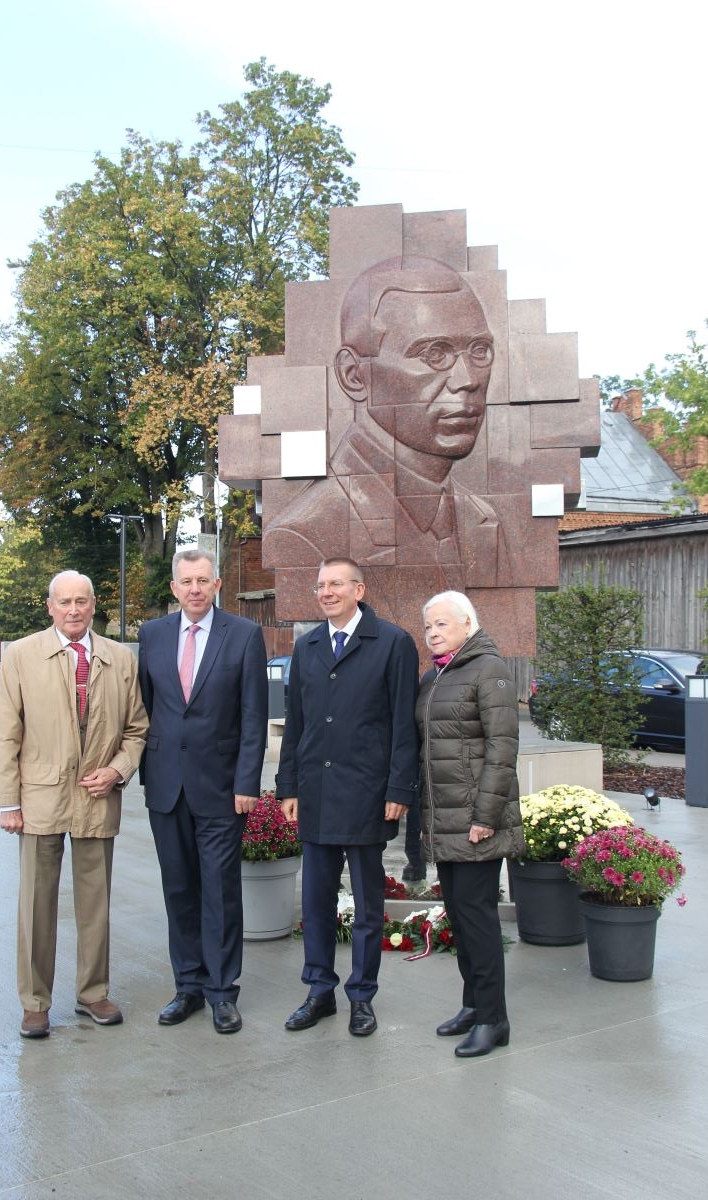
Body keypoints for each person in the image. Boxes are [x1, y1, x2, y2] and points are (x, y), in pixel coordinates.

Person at [263, 256, 542, 589]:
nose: (467, 380)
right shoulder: (302, 535)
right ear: (354, 375)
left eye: (479, 351)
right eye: (434, 354)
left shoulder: (481, 519)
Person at [0, 570, 148, 1039]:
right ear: (50, 607)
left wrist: (118, 770)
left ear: (94, 605)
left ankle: (93, 993)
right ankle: (34, 1002)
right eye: (65, 602)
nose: (74, 610)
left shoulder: (119, 658)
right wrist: (7, 802)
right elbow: (5, 732)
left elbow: (137, 728)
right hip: (40, 796)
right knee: (37, 904)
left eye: (82, 601)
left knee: (95, 903)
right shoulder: (20, 656)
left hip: (97, 797)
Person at [277, 558, 420, 1037]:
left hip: (367, 795)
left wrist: (400, 788)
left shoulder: (393, 643)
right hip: (315, 795)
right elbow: (295, 723)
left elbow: (404, 725)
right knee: (315, 902)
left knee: (367, 905)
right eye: (320, 585)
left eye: (335, 584)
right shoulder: (308, 645)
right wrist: (288, 786)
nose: (326, 592)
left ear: (358, 589)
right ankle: (319, 991)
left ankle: (362, 996)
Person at [138, 550, 268, 1035]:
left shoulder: (244, 635)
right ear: (174, 588)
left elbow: (254, 717)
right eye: (185, 581)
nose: (194, 589)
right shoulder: (151, 636)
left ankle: (221, 991)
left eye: (203, 580)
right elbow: (149, 709)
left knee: (219, 890)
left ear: (217, 585)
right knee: (179, 891)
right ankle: (188, 986)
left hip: (221, 789)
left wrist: (247, 783)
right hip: (167, 786)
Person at [415, 590, 525, 1058]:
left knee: (477, 919)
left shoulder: (489, 669)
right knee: (460, 916)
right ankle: (472, 1005)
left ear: (467, 623)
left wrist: (485, 817)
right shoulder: (437, 675)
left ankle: (494, 1019)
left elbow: (502, 750)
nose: (433, 633)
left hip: (477, 821)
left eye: (442, 624)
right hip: (445, 818)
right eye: (427, 626)